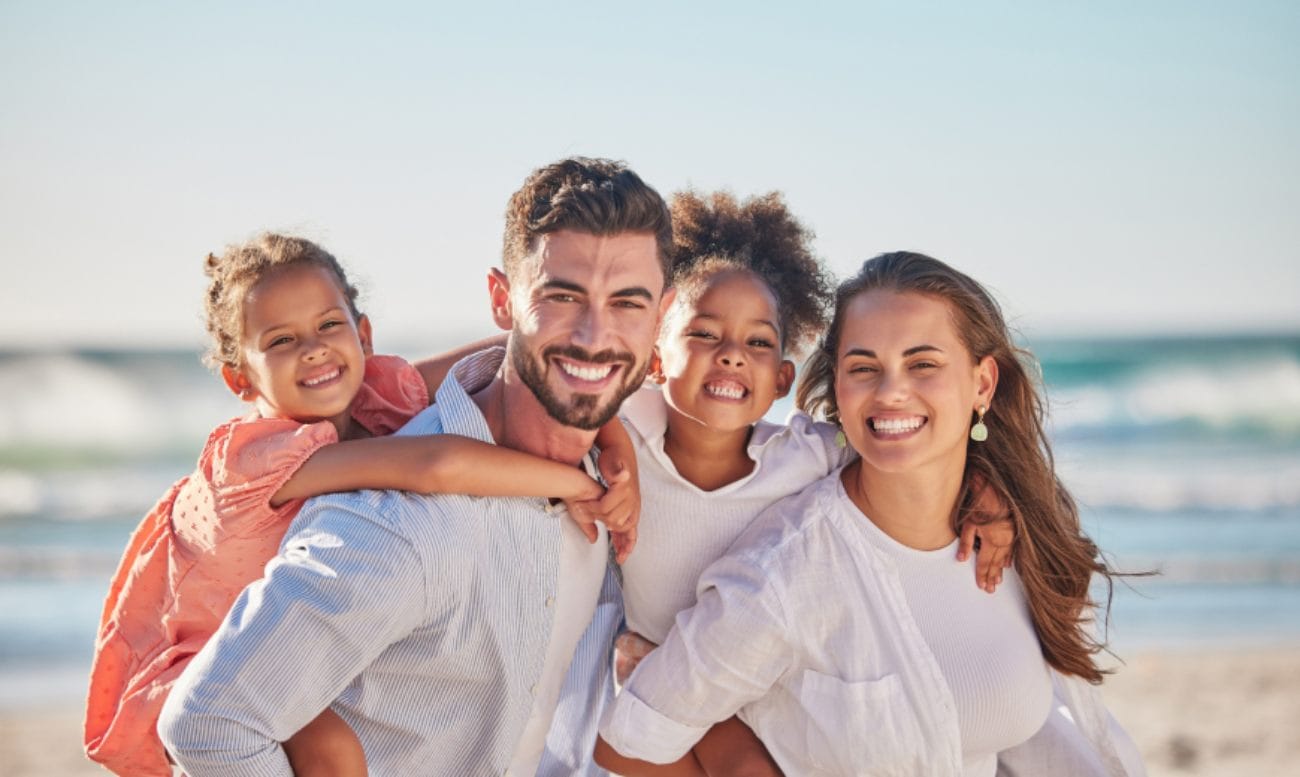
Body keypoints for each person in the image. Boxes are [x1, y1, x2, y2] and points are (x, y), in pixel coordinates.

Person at [156, 158, 674, 776]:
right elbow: (211, 725)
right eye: (561, 297)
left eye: (627, 303)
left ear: (662, 317)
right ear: (502, 300)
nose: (594, 334)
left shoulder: (624, 466)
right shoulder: (398, 526)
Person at [598, 251, 1145, 776]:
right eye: (864, 367)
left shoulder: (1012, 538)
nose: (892, 392)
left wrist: (994, 490)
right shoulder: (780, 575)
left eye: (922, 363)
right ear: (837, 384)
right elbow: (629, 744)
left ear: (982, 383)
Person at [592, 194, 1015, 775]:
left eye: (759, 342)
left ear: (784, 378)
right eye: (704, 334)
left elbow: (899, 446)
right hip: (672, 682)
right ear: (655, 360)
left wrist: (987, 490)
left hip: (748, 693)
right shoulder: (624, 432)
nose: (732, 357)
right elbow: (538, 364)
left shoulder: (806, 456)